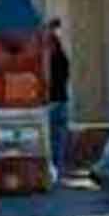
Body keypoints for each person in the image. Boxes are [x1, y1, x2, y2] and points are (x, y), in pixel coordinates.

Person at [48, 18, 71, 174]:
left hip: (54, 99)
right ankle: (56, 168)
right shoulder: (56, 47)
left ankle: (55, 168)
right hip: (58, 98)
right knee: (57, 137)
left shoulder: (48, 47)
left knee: (55, 137)